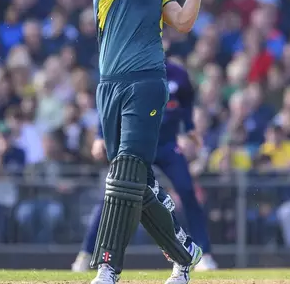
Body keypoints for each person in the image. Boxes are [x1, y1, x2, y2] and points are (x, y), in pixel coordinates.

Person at [89, 0, 238, 284]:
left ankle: (109, 267)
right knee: (133, 183)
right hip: (110, 86)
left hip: (148, 83)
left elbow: (184, 22)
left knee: (125, 174)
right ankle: (185, 255)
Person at [72, 59, 217, 273]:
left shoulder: (176, 72)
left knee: (187, 190)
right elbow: (109, 101)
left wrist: (189, 128)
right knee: (112, 195)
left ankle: (204, 252)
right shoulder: (128, 65)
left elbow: (187, 99)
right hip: (135, 143)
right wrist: (101, 135)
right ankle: (86, 252)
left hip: (167, 144)